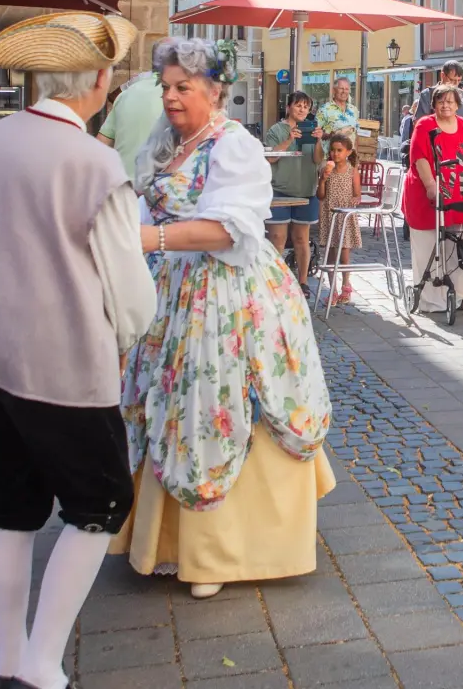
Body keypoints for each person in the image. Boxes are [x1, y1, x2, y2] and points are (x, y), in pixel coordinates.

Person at [0, 11, 156, 689]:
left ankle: (11, 659)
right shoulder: (95, 162)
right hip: (63, 359)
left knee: (9, 506)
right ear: (98, 82)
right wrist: (128, 336)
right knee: (97, 507)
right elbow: (129, 289)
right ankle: (39, 664)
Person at [116, 37, 334, 600]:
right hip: (171, 291)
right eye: (164, 86)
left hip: (227, 292)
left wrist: (150, 237)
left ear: (215, 92)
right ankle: (170, 539)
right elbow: (147, 205)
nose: (169, 96)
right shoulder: (168, 142)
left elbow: (231, 229)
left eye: (181, 87)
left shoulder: (232, 144)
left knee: (216, 397)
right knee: (170, 398)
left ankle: (220, 548)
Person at [402, 84, 463, 313]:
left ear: (458, 105)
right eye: (441, 101)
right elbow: (420, 158)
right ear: (433, 104)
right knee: (430, 246)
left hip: (462, 195)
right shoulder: (425, 125)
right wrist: (431, 186)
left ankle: (460, 296)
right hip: (428, 196)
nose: (446, 105)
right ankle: (431, 300)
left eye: (450, 102)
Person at [263, 91, 325, 294]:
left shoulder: (312, 129)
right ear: (289, 107)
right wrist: (289, 139)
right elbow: (271, 158)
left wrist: (318, 141)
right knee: (277, 240)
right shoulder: (276, 130)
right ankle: (276, 283)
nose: (302, 109)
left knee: (301, 239)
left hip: (306, 190)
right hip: (279, 190)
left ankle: (303, 282)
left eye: (306, 107)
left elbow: (317, 160)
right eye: (298, 105)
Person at [97, 42, 168, 181]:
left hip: (122, 186)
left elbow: (100, 145)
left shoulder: (126, 93)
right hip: (158, 190)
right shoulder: (178, 99)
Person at [318, 134, 365, 304]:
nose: (335, 154)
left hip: (344, 215)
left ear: (348, 152)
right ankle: (332, 289)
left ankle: (346, 283)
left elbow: (357, 193)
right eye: (333, 150)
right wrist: (322, 180)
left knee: (344, 251)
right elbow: (320, 195)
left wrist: (355, 199)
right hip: (329, 214)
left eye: (339, 150)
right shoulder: (326, 170)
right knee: (330, 252)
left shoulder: (352, 171)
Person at [316, 75, 360, 144]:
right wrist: (334, 135)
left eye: (346, 89)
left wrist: (356, 153)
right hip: (330, 153)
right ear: (334, 90)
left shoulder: (354, 110)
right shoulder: (324, 109)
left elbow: (356, 135)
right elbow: (316, 134)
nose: (344, 91)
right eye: (341, 88)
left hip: (350, 154)